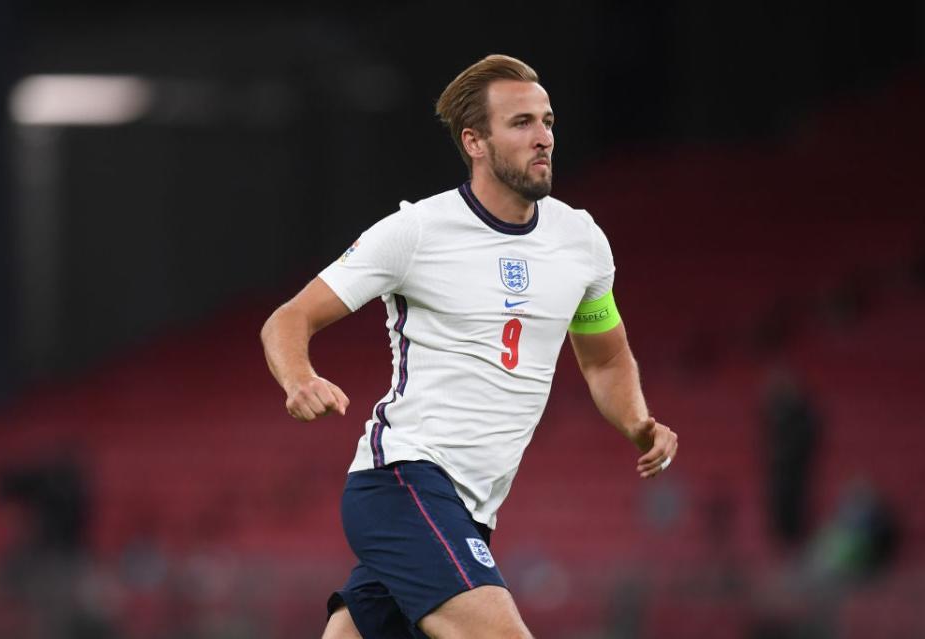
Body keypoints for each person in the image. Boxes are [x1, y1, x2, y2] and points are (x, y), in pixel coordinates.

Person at [261, 54, 679, 639]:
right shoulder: (415, 232)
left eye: (548, 121)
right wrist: (299, 378)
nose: (543, 138)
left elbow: (604, 357)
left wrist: (640, 423)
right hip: (403, 482)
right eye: (521, 123)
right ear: (474, 141)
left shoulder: (580, 240)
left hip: (470, 514)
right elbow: (289, 318)